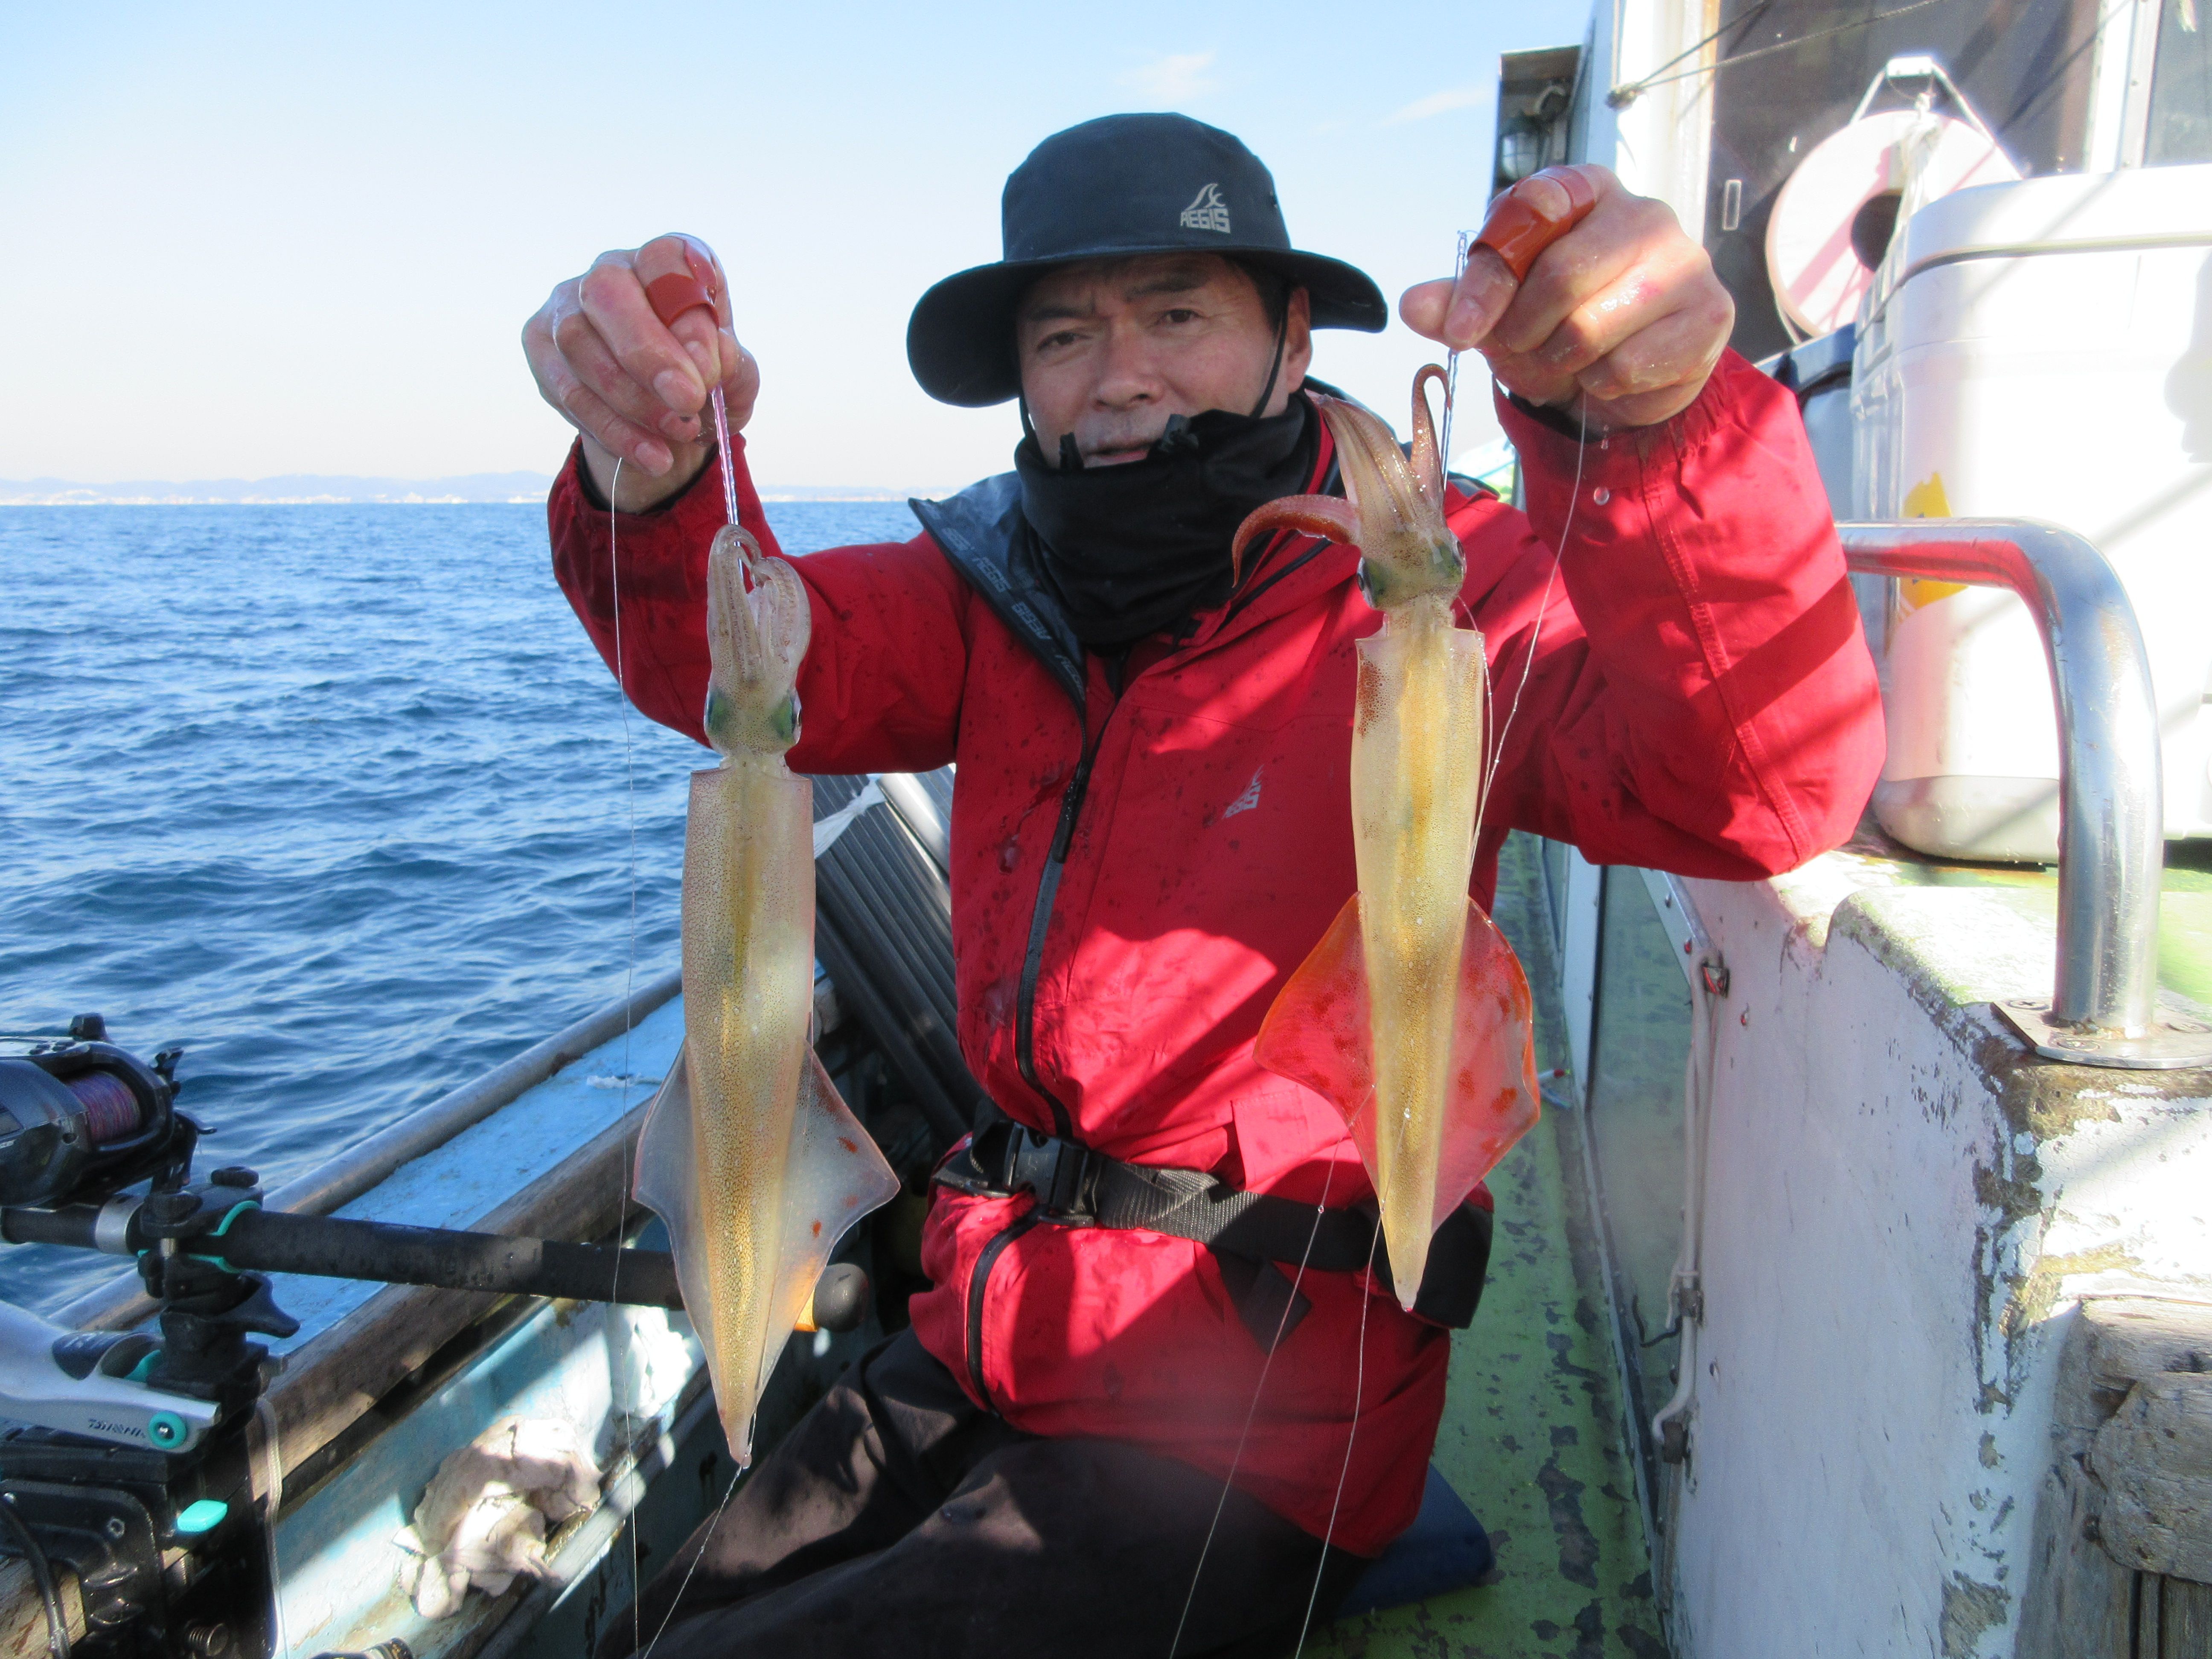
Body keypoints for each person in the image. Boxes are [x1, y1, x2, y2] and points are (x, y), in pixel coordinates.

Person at [524, 114, 1882, 1657]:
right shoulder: (990, 586)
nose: (1119, 376)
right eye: (1064, 335)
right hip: (988, 1325)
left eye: (1177, 314)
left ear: (1295, 339)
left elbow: (1760, 785)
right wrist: (657, 481)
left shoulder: (1460, 599)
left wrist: (1658, 427)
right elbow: (744, 675)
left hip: (1258, 1419)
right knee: (662, 1625)